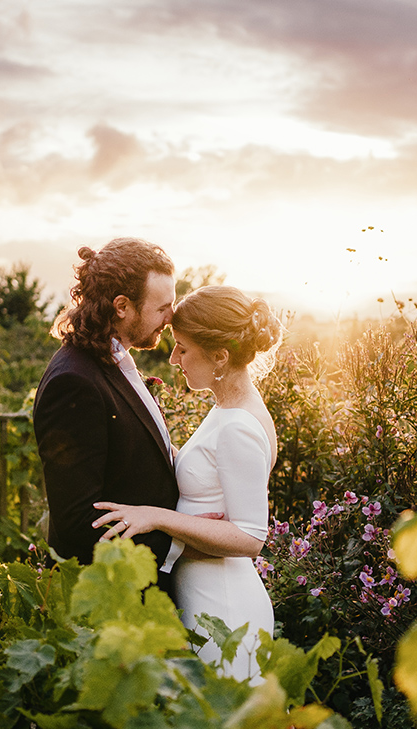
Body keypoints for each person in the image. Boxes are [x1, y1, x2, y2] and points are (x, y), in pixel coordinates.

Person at [93, 285, 282, 683]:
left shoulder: (238, 425)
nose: (174, 358)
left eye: (183, 348)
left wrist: (159, 518)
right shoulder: (231, 409)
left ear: (220, 356)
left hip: (225, 609)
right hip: (207, 598)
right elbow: (214, 475)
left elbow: (250, 537)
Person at [32, 237, 184, 596]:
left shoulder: (114, 364)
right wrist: (182, 544)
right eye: (163, 306)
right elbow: (79, 522)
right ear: (122, 306)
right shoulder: (74, 382)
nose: (172, 317)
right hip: (112, 600)